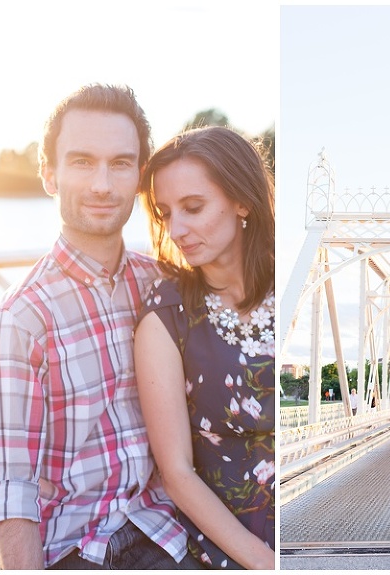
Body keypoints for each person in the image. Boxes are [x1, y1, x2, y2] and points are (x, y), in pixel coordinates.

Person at [0, 84, 199, 570]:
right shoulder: (21, 320)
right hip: (80, 549)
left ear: (139, 176)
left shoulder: (164, 285)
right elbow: (11, 489)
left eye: (120, 163)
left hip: (170, 531)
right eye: (82, 161)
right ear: (49, 174)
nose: (102, 184)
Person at [134, 126, 275, 569]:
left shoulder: (288, 284)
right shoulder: (167, 316)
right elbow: (176, 472)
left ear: (242, 201)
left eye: (193, 208)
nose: (176, 229)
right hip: (232, 544)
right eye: (165, 212)